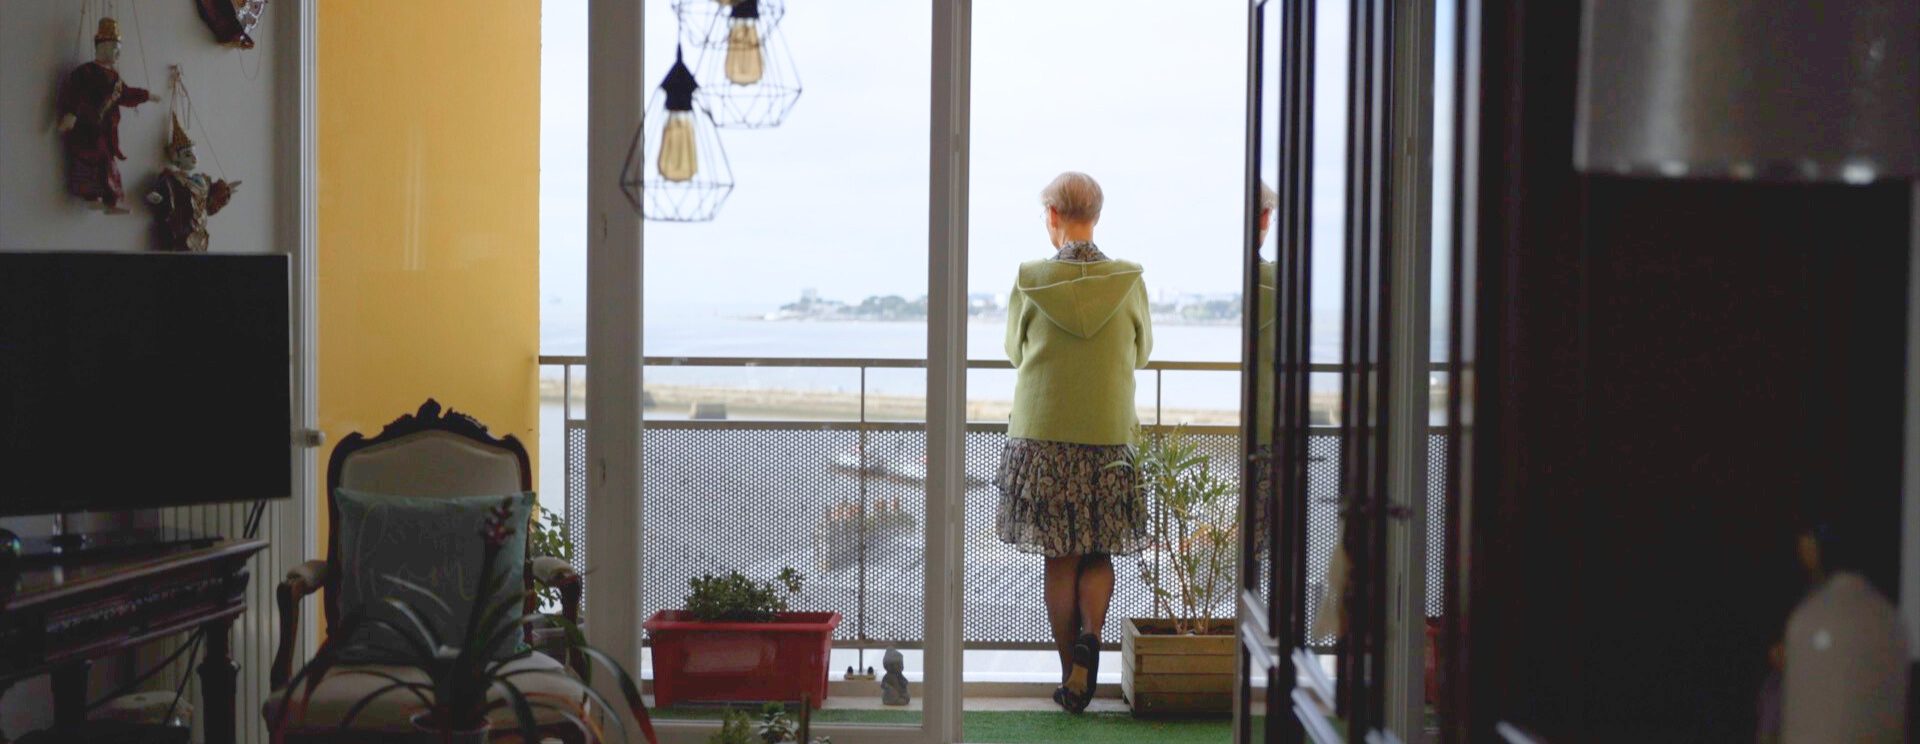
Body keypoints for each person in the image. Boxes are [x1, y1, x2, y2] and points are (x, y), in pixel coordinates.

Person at [995, 172, 1153, 713]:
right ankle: (1091, 635)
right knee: (1098, 548)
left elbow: (1014, 352)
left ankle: (1071, 678)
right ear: (1097, 216)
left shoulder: (1031, 278)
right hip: (1109, 436)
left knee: (1060, 557)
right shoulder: (1129, 280)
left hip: (1043, 438)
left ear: (1053, 216)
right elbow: (1143, 352)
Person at [57, 18, 152, 214]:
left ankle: (110, 201)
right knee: (91, 161)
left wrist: (146, 95)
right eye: (115, 48)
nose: (119, 54)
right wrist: (71, 114)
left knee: (108, 163)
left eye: (119, 49)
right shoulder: (86, 71)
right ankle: (93, 197)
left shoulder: (115, 77)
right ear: (102, 46)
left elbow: (125, 94)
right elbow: (76, 92)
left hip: (106, 129)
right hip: (87, 127)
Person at [147, 115, 240, 252]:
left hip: (200, 228)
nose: (194, 158)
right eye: (187, 155)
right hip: (182, 227)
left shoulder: (203, 180)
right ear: (176, 157)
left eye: (194, 153)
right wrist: (159, 199)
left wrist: (223, 192)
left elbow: (210, 203)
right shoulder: (173, 179)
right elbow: (167, 199)